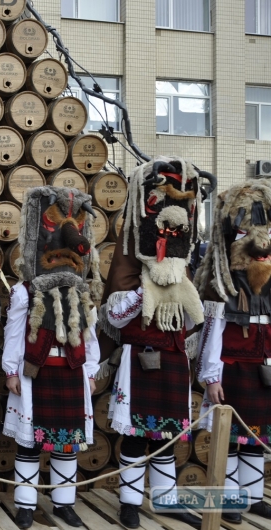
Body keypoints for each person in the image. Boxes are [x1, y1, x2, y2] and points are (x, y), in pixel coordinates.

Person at [101, 158, 211, 529]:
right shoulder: (131, 252)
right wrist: (146, 290)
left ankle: (166, 502)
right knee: (136, 434)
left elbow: (194, 318)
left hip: (173, 356)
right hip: (141, 355)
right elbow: (114, 317)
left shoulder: (183, 260)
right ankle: (130, 504)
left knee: (166, 435)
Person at [2, 187, 102, 529]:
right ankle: (26, 505)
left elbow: (88, 333)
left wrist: (90, 369)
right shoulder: (24, 291)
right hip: (35, 373)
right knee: (31, 444)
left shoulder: (82, 291)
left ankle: (63, 504)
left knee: (68, 443)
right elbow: (14, 334)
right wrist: (11, 370)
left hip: (71, 371)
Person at [195, 179, 271, 523]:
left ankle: (253, 497)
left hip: (263, 368)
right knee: (228, 437)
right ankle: (227, 499)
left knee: (256, 435)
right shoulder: (223, 281)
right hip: (232, 369)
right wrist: (211, 376)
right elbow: (213, 332)